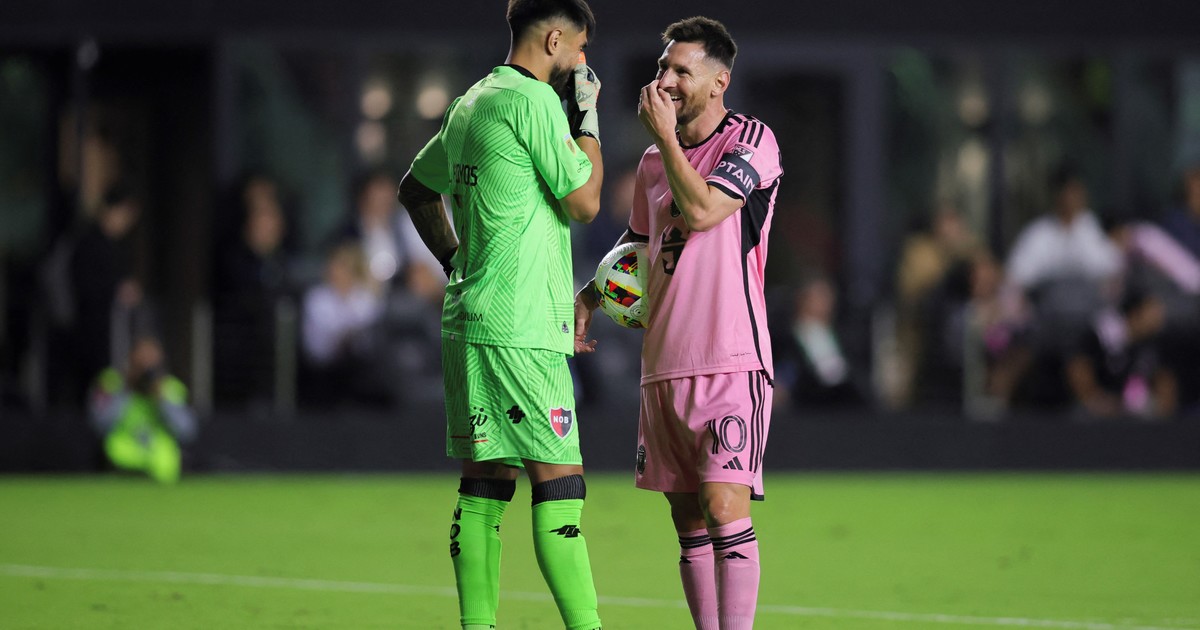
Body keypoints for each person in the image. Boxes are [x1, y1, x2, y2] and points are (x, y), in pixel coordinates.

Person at [396, 2, 604, 629]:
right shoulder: (535, 102)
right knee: (559, 484)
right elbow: (586, 202)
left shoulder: (471, 102)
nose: (583, 61)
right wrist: (587, 117)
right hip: (521, 327)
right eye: (581, 47)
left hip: (469, 320)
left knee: (484, 486)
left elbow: (416, 188)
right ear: (556, 38)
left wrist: (456, 261)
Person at [575, 17, 783, 629]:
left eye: (681, 71)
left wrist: (666, 139)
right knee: (687, 520)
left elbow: (702, 210)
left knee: (723, 506)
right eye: (662, 68)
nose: (665, 81)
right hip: (663, 365)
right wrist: (591, 295)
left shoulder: (752, 140)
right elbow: (640, 243)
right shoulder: (650, 163)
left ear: (720, 81)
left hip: (729, 360)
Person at [87, 333, 198, 483]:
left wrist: (162, 400)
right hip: (121, 466)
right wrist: (127, 389)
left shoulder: (170, 388)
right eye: (140, 364)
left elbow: (187, 431)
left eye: (151, 366)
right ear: (130, 361)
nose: (145, 372)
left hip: (161, 470)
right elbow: (99, 424)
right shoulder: (112, 383)